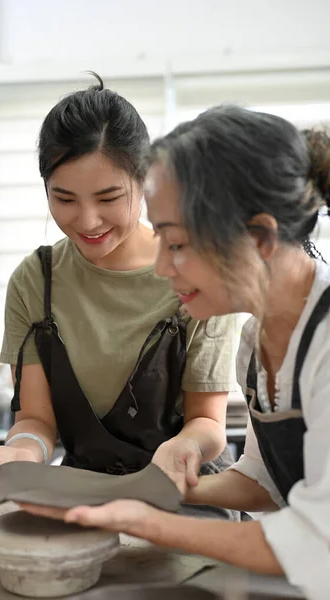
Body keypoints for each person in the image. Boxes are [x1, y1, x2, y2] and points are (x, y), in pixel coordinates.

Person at [18, 106, 330, 600]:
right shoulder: (258, 339)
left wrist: (146, 520)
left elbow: (319, 544)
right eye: (160, 240)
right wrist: (141, 488)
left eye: (178, 244)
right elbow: (262, 485)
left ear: (259, 239)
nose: (162, 267)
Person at [0, 77, 239, 519]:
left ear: (145, 180)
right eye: (64, 198)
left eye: (109, 197)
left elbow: (207, 423)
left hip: (187, 497)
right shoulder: (36, 280)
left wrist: (184, 447)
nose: (87, 220)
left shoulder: (196, 274)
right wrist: (21, 452)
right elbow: (37, 420)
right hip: (83, 496)